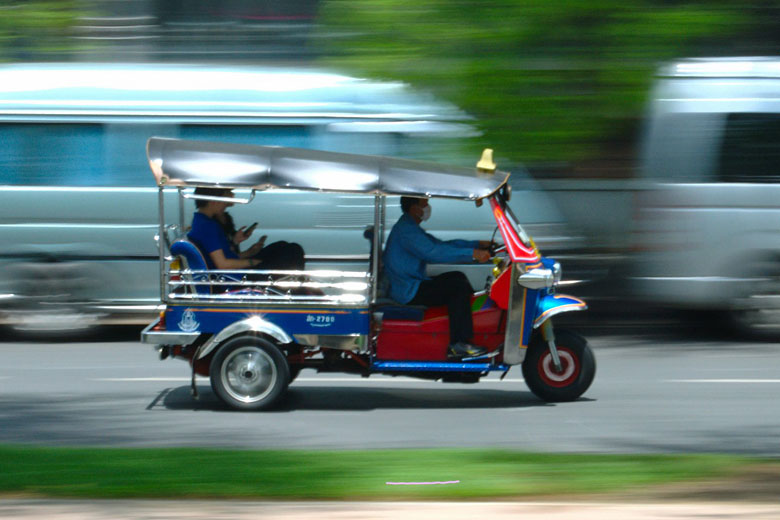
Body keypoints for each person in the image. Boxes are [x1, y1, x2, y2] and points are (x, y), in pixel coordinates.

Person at [383, 196, 492, 359]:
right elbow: (433, 253)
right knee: (457, 288)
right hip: (408, 291)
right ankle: (459, 343)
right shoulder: (407, 230)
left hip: (411, 284)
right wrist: (472, 253)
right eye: (424, 204)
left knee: (457, 277)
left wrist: (475, 244)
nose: (428, 207)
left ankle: (465, 326)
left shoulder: (409, 226)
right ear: (414, 209)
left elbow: (439, 245)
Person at [187, 187, 305, 272]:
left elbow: (226, 256)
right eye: (228, 193)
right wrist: (252, 262)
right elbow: (222, 264)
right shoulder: (207, 226)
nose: (232, 196)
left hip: (234, 269)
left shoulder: (204, 222)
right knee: (292, 252)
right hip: (233, 276)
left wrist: (249, 252)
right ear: (214, 200)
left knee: (282, 246)